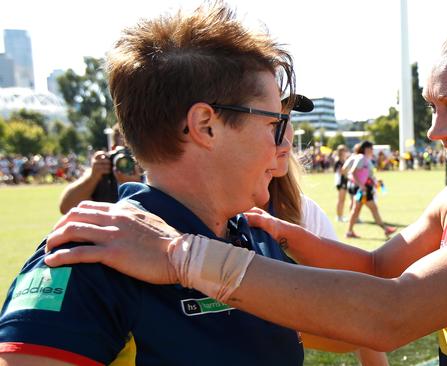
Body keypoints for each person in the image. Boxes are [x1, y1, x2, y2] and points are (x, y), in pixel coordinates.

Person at [43, 1, 447, 365]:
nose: (437, 129)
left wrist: (182, 255)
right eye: (432, 106)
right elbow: (374, 271)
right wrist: (281, 236)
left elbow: (390, 315)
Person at [0, 3, 310, 365]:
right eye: (275, 123)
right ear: (205, 125)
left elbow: (370, 317)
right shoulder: (91, 256)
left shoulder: (254, 235)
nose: (285, 143)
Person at [255, 110, 388, 365]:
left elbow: (358, 310)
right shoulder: (177, 215)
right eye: (271, 121)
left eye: (286, 120)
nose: (285, 140)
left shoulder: (302, 210)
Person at [58, 125, 142, 214]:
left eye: (131, 151)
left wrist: (134, 186)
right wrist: (92, 177)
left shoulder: (151, 174)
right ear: (113, 150)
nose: (128, 158)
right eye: (123, 150)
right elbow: (66, 208)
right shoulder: (103, 172)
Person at [343, 140, 396, 239]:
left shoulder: (366, 159)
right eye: (371, 148)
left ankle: (349, 232)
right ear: (366, 149)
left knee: (356, 210)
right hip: (363, 190)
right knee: (371, 209)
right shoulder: (361, 158)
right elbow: (353, 172)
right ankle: (385, 229)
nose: (373, 150)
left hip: (364, 189)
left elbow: (365, 174)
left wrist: (375, 181)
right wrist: (361, 185)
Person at [333, 144, 350, 222]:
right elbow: (341, 172)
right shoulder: (338, 162)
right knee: (341, 200)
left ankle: (341, 215)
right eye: (344, 151)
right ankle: (339, 216)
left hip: (345, 181)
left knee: (343, 200)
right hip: (341, 182)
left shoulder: (344, 161)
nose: (345, 152)